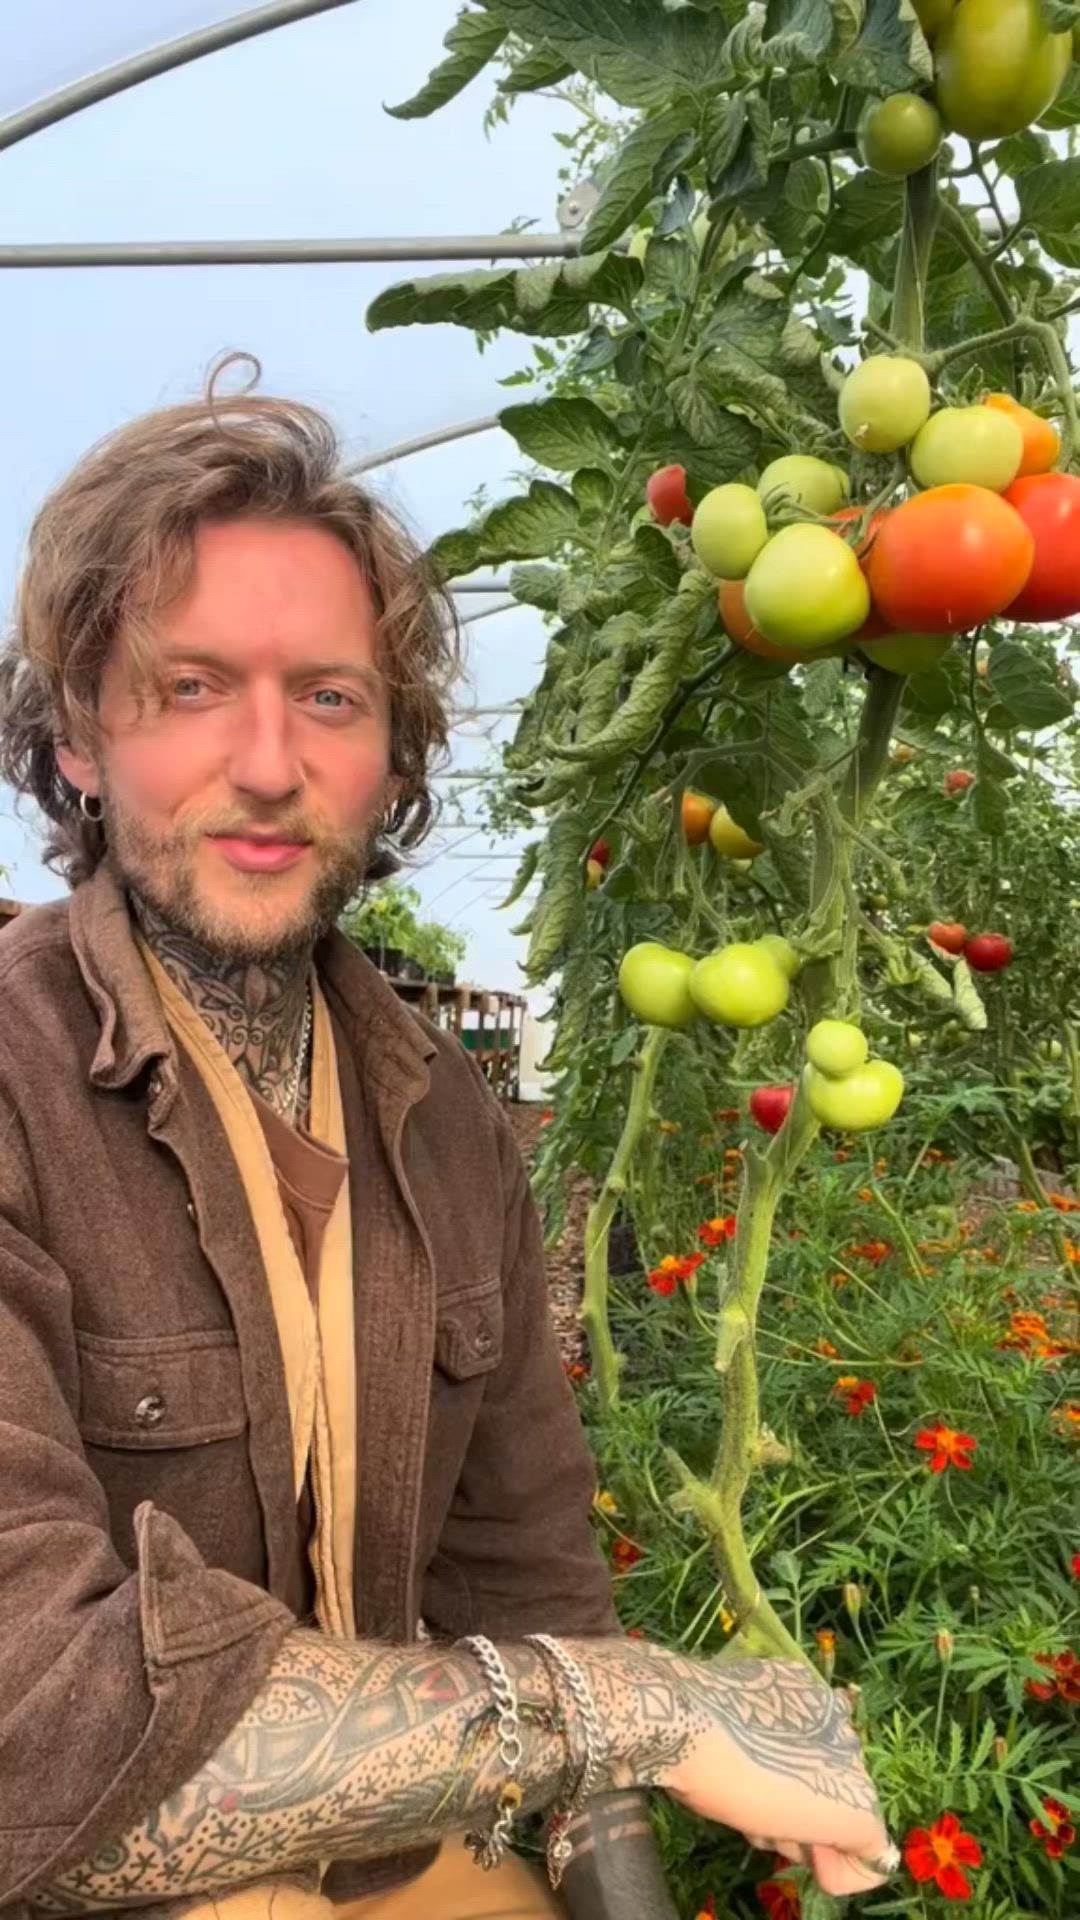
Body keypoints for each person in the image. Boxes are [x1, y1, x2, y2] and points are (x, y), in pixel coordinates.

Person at [0, 364, 896, 1920]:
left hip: (401, 1850)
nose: (269, 764)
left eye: (330, 699)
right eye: (190, 686)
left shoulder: (449, 1125)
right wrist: (641, 1707)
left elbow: (525, 1574)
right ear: (80, 738)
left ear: (397, 760)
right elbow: (31, 1741)